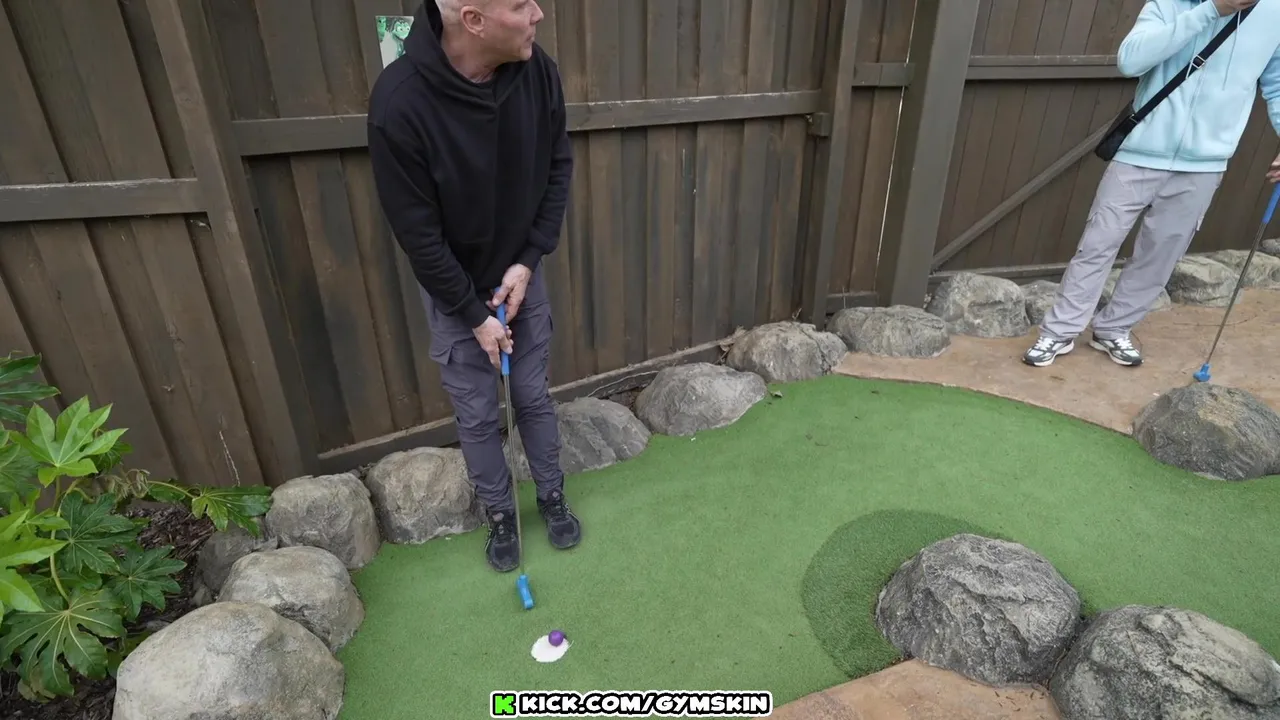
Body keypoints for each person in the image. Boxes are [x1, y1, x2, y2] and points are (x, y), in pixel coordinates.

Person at [367, 0, 580, 572]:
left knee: (531, 396)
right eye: (519, 4)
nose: (538, 13)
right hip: (452, 288)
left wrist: (528, 261)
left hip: (520, 275)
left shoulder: (538, 71)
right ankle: (501, 513)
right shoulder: (398, 102)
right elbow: (417, 233)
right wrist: (473, 314)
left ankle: (552, 495)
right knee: (480, 414)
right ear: (473, 20)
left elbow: (558, 165)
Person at [1024, 0, 1280, 368]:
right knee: (1097, 244)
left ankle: (1113, 329)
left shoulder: (1274, 14)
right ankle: (1059, 331)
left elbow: (1277, 86)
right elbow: (1130, 60)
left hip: (1205, 163)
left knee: (1161, 255)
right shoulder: (1170, 3)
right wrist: (1211, 10)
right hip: (1139, 153)